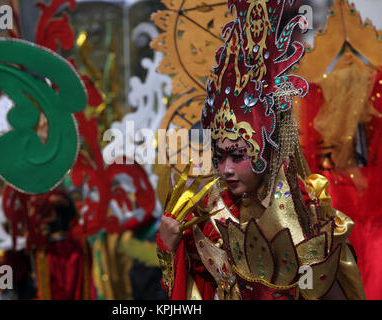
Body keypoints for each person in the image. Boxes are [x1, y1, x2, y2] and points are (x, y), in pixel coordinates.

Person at [156, 0, 366, 300]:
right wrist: (170, 250)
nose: (226, 169)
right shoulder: (214, 217)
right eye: (220, 157)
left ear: (268, 151)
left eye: (238, 155)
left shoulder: (309, 222)